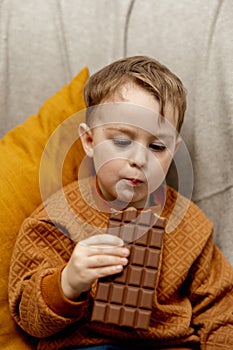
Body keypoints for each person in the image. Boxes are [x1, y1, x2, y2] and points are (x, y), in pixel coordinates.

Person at [8, 56, 233, 350]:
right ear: (89, 141)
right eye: (122, 142)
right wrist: (68, 283)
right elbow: (29, 317)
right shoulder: (57, 218)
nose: (139, 160)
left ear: (174, 150)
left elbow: (222, 310)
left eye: (156, 146)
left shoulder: (192, 225)